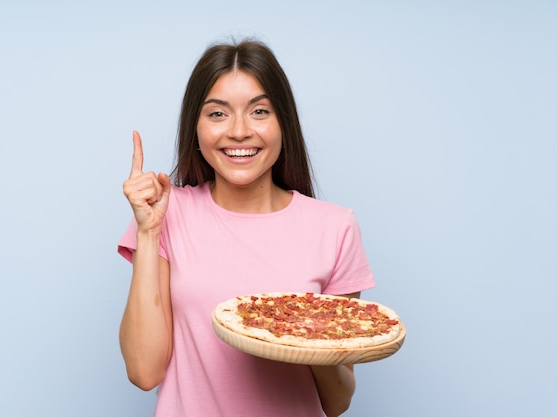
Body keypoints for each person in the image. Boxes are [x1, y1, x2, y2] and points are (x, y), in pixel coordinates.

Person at [117, 39, 375, 417]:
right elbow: (143, 371)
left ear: (283, 123)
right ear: (196, 128)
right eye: (218, 114)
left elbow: (337, 401)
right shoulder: (166, 213)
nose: (238, 131)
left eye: (259, 111)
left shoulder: (334, 227)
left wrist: (308, 330)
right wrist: (148, 232)